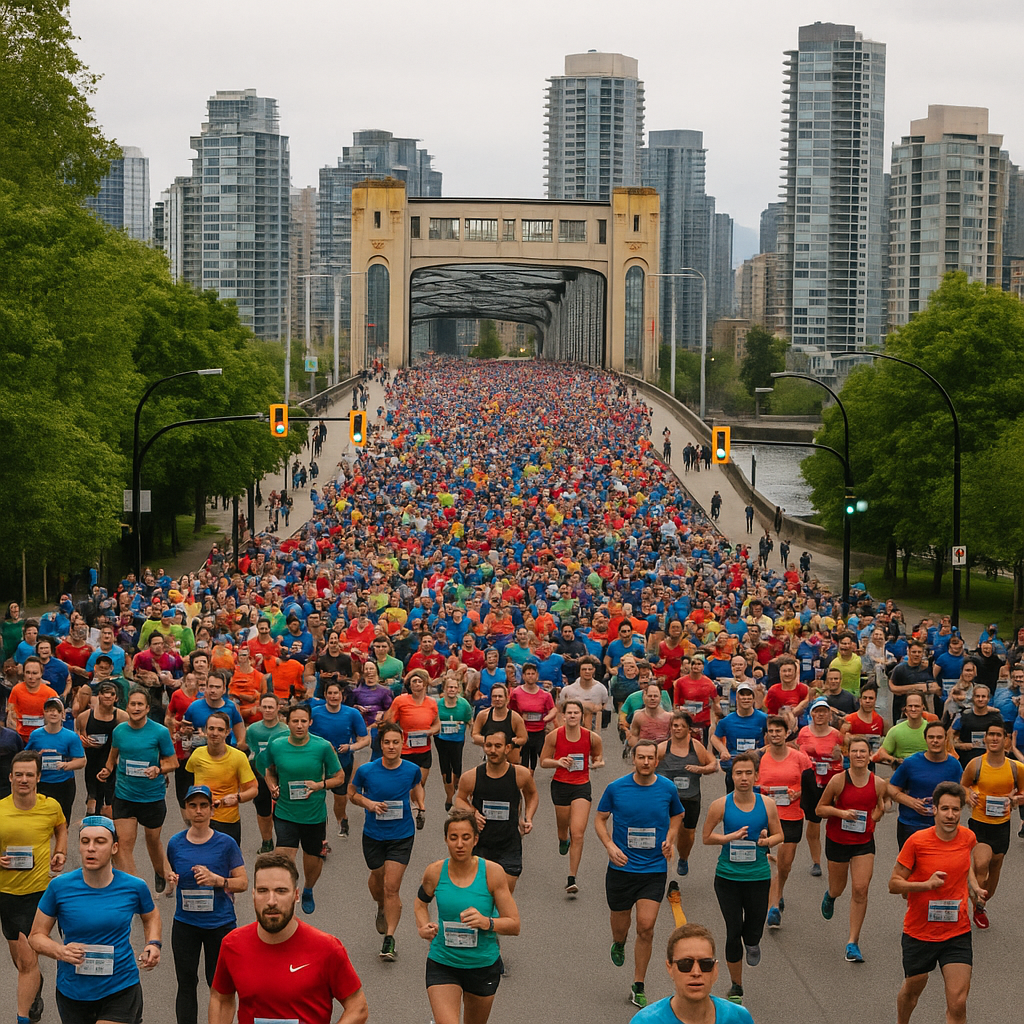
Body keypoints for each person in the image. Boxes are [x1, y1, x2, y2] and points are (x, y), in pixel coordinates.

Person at [29, 815, 161, 1024]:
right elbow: (36, 936)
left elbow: (151, 915)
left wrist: (153, 944)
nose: (91, 848)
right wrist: (60, 951)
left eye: (100, 842)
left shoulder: (134, 886)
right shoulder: (60, 887)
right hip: (73, 991)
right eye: (85, 841)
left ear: (114, 847)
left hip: (120, 986)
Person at [209, 852, 368, 1024]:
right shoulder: (233, 944)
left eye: (281, 891)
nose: (271, 901)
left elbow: (357, 1007)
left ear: (296, 895)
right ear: (253, 895)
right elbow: (221, 999)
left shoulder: (327, 948)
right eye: (263, 891)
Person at [595, 739, 684, 1009]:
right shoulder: (616, 788)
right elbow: (599, 819)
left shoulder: (667, 789)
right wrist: (610, 846)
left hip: (653, 868)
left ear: (657, 761)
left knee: (646, 927)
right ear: (633, 759)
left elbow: (677, 816)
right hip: (621, 868)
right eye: (641, 757)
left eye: (650, 758)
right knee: (621, 927)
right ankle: (619, 942)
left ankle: (639, 984)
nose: (646, 762)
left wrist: (671, 839)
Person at [888, 782, 984, 1024]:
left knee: (958, 1002)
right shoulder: (917, 842)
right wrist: (925, 886)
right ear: (935, 810)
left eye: (955, 809)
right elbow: (894, 884)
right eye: (945, 809)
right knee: (912, 992)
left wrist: (973, 887)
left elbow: (964, 864)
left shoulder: (968, 838)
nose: (950, 815)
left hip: (956, 932)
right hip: (920, 932)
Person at [414, 809, 521, 1024]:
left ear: (475, 840)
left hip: (482, 965)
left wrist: (486, 922)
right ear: (446, 840)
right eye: (453, 838)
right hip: (443, 961)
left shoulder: (493, 872)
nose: (459, 844)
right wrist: (423, 926)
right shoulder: (434, 872)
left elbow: (514, 924)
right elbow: (420, 904)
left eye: (465, 838)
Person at [702, 751, 784, 1006]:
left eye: (749, 773)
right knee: (733, 928)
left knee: (754, 927)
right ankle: (736, 985)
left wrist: (766, 841)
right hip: (727, 877)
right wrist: (728, 838)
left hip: (758, 877)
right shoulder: (721, 805)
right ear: (732, 776)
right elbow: (706, 837)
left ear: (756, 776)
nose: (744, 778)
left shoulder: (767, 804)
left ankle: (753, 942)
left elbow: (780, 835)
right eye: (739, 773)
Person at [165, 785, 247, 1024]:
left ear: (212, 810)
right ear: (186, 810)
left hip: (220, 925)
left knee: (218, 984)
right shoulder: (175, 843)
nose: (198, 811)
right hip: (185, 924)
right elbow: (170, 880)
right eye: (193, 806)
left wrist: (218, 880)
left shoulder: (226, 843)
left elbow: (242, 883)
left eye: (203, 806)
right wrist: (171, 882)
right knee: (186, 983)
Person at [348, 720, 425, 961]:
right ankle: (380, 905)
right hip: (373, 835)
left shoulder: (411, 769)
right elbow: (352, 793)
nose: (391, 746)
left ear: (403, 744)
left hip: (401, 835)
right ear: (380, 745)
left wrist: (420, 804)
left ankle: (389, 939)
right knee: (377, 878)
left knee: (392, 888)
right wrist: (368, 803)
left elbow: (417, 786)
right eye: (387, 742)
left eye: (395, 742)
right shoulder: (367, 770)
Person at [0, 751, 66, 1024]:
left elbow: (61, 826)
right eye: (19, 775)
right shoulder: (1, 808)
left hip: (38, 893)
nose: (24, 779)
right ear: (10, 777)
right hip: (6, 894)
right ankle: (34, 990)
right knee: (19, 958)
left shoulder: (50, 806)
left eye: (29, 774)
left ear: (38, 777)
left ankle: (23, 1016)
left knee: (27, 960)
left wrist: (60, 851)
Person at [264, 703, 344, 914]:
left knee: (312, 860)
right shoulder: (277, 745)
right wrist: (272, 787)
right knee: (283, 860)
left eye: (303, 721)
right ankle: (287, 897)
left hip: (313, 815)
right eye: (294, 721)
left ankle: (308, 889)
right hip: (285, 812)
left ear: (310, 722)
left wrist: (320, 785)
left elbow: (339, 777)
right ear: (287, 723)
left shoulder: (322, 746)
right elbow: (269, 771)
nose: (299, 725)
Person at [816, 736, 887, 962]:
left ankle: (852, 942)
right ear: (848, 755)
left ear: (869, 756)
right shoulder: (838, 781)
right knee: (838, 887)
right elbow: (820, 809)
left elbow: (881, 805)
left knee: (860, 889)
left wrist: (876, 816)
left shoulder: (878, 783)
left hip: (863, 843)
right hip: (837, 840)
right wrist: (841, 813)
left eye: (863, 752)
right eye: (855, 751)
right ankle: (831, 895)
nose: (859, 755)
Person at [97, 686, 177, 887]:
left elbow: (173, 762)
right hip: (125, 795)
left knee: (152, 840)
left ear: (147, 708)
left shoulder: (159, 732)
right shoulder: (119, 731)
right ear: (127, 706)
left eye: (140, 704)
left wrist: (158, 769)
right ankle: (134, 887)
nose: (136, 708)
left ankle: (159, 871)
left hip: (152, 797)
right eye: (132, 704)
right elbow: (113, 756)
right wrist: (106, 770)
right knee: (123, 844)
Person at [456, 730, 539, 897]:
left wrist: (528, 817)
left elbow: (532, 794)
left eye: (497, 746)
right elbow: (459, 799)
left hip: (509, 845)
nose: (492, 750)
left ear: (507, 748)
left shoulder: (519, 774)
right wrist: (472, 812)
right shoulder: (471, 777)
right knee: (480, 896)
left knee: (503, 897)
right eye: (488, 746)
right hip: (481, 845)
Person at [959, 721, 1023, 929]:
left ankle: (980, 904)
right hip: (979, 823)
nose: (994, 738)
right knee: (981, 863)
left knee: (995, 867)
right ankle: (976, 899)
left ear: (1005, 740)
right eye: (991, 735)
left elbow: (1022, 793)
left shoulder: (1016, 768)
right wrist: (970, 797)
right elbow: (963, 786)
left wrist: (1015, 800)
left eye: (998, 735)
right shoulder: (976, 764)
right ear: (985, 739)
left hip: (1002, 826)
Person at [540, 698, 604, 895]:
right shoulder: (554, 736)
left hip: (581, 786)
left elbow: (598, 757)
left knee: (577, 833)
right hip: (560, 785)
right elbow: (543, 762)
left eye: (577, 713)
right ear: (563, 715)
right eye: (569, 713)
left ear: (582, 716)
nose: (573, 716)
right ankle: (562, 839)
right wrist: (558, 762)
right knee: (564, 830)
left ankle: (571, 878)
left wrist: (598, 763)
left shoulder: (592, 738)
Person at [632, 922, 755, 1024]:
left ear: (715, 969)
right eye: (685, 964)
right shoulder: (645, 1021)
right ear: (670, 968)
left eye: (705, 964)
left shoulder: (739, 1018)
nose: (696, 972)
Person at [757, 715, 811, 929]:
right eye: (771, 731)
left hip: (791, 816)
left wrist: (797, 794)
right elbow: (750, 785)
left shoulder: (800, 758)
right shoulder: (759, 758)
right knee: (761, 863)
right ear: (766, 735)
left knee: (785, 865)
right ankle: (773, 906)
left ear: (787, 733)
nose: (775, 734)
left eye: (779, 730)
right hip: (764, 815)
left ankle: (778, 893)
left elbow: (811, 785)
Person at [655, 710, 718, 877]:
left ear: (689, 729)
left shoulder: (696, 748)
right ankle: (660, 860)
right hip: (667, 799)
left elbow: (713, 765)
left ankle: (684, 857)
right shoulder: (662, 748)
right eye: (674, 726)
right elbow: (644, 768)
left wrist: (701, 769)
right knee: (666, 830)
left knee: (688, 834)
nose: (677, 729)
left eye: (682, 726)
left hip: (690, 797)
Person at [185, 711, 258, 848]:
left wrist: (238, 797)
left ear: (227, 732)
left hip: (227, 821)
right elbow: (188, 784)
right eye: (211, 728)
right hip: (201, 819)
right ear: (206, 730)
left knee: (228, 866)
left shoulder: (238, 757)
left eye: (220, 730)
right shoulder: (197, 755)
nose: (215, 733)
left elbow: (253, 789)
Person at [889, 721, 963, 849]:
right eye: (931, 737)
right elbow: (891, 788)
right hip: (911, 824)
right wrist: (911, 802)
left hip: (942, 827)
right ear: (925, 739)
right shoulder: (910, 763)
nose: (935, 741)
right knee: (910, 867)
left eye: (939, 737)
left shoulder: (954, 765)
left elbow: (962, 792)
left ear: (946, 739)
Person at [310, 680, 370, 836]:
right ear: (325, 695)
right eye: (329, 693)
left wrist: (350, 747)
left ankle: (341, 818)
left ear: (342, 696)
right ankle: (319, 831)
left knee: (340, 798)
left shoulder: (352, 713)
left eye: (336, 693)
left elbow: (364, 739)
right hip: (316, 763)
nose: (333, 696)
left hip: (342, 763)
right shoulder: (315, 713)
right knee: (316, 796)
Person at [796, 696, 844, 878]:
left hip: (833, 782)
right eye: (817, 711)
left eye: (824, 711)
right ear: (812, 714)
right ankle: (816, 861)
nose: (821, 714)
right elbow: (800, 758)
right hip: (811, 782)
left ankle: (836, 857)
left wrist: (839, 757)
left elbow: (845, 758)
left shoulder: (837, 735)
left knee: (835, 821)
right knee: (813, 821)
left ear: (829, 715)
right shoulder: (804, 733)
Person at [24, 697, 85, 823]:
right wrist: (36, 756)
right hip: (42, 783)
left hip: (63, 784)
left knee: (62, 822)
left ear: (63, 714)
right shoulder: (35, 735)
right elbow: (25, 757)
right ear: (44, 713)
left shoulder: (71, 736)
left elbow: (81, 761)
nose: (53, 713)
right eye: (50, 710)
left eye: (57, 710)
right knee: (40, 821)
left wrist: (66, 765)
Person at [386, 668, 441, 803]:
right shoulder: (401, 701)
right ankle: (408, 807)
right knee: (406, 784)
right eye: (413, 681)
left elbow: (437, 725)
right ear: (409, 686)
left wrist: (430, 731)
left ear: (425, 684)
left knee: (419, 783)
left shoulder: (432, 703)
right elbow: (389, 723)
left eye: (419, 681)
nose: (416, 684)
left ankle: (418, 808)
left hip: (424, 750)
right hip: (405, 750)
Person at [244, 694, 290, 854]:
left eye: (271, 707)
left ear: (278, 708)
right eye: (265, 707)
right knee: (263, 811)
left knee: (282, 811)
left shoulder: (285, 730)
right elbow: (250, 752)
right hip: (259, 775)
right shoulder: (253, 730)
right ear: (260, 708)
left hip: (281, 776)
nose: (268, 710)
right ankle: (267, 841)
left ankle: (284, 843)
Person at [76, 681, 127, 817]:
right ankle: (92, 825)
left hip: (112, 762)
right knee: (93, 804)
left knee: (110, 804)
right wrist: (83, 741)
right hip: (92, 763)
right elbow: (79, 736)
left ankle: (112, 830)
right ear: (98, 696)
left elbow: (127, 740)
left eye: (112, 694)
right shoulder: (85, 717)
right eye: (104, 694)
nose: (108, 697)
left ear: (116, 698)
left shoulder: (122, 717)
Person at [710, 684, 768, 793]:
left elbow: (773, 740)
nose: (746, 699)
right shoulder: (727, 721)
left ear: (753, 698)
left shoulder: (763, 718)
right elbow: (714, 737)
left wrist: (761, 751)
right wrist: (723, 751)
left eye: (748, 696)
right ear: (737, 697)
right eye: (742, 696)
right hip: (734, 766)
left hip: (757, 767)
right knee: (733, 799)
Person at [434, 676, 474, 812]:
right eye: (449, 687)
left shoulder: (464, 704)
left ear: (458, 689)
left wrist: (472, 733)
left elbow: (470, 720)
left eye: (454, 687)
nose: (452, 690)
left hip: (457, 740)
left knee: (456, 768)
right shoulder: (437, 705)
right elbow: (431, 720)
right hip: (441, 739)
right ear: (444, 689)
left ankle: (455, 784)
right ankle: (449, 797)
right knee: (445, 770)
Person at [508, 663, 556, 774]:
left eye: (533, 674)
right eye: (528, 674)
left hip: (539, 731)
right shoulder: (516, 693)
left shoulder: (545, 695)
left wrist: (547, 718)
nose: (530, 676)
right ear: (523, 676)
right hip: (522, 731)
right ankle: (522, 781)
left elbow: (553, 709)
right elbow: (511, 709)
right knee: (523, 760)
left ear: (537, 676)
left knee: (539, 756)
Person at [470, 684, 527, 764]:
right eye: (494, 696)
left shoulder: (515, 718)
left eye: (500, 696)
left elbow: (523, 738)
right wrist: (491, 742)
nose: (497, 699)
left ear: (507, 698)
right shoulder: (483, 715)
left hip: (510, 761)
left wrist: (508, 743)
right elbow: (475, 736)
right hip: (488, 759)